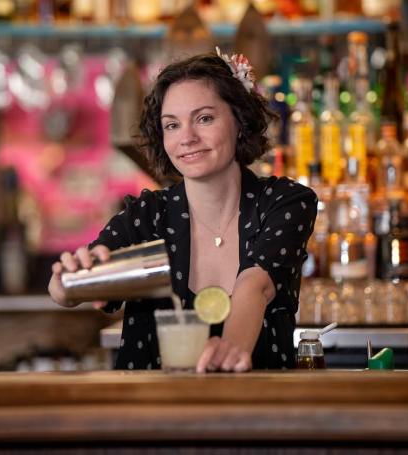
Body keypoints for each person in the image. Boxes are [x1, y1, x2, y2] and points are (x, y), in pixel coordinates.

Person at [49, 49, 317, 372]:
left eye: (204, 118)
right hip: (154, 414)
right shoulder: (146, 216)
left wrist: (228, 353)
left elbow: (255, 285)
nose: (187, 138)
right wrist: (70, 278)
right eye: (172, 125)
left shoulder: (284, 203)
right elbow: (66, 291)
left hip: (256, 414)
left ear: (240, 120)